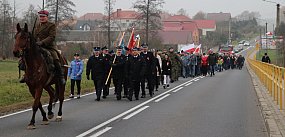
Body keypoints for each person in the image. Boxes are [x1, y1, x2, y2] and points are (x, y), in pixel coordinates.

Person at [19, 10, 66, 85]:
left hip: (49, 46)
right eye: (40, 16)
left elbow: (51, 37)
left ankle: (61, 76)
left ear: (47, 17)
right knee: (25, 57)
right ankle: (26, 75)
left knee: (55, 58)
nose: (42, 18)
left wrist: (42, 42)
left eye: (43, 16)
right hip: (37, 46)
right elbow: (33, 37)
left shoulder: (51, 25)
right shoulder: (37, 25)